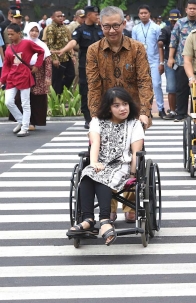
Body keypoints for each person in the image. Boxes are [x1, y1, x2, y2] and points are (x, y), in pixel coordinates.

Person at [86, 6, 154, 223]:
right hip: (106, 112)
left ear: (124, 24)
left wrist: (144, 113)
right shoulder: (93, 50)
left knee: (134, 158)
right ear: (101, 26)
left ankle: (131, 203)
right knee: (102, 156)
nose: (112, 30)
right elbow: (94, 86)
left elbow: (144, 81)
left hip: (131, 112)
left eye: (116, 25)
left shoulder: (137, 48)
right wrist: (96, 116)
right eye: (107, 26)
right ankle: (110, 206)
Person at [66, 87, 144, 246]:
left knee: (104, 176)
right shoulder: (97, 122)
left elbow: (136, 152)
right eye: (116, 105)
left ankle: (104, 220)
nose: (122, 108)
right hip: (101, 162)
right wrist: (94, 163)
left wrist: (133, 173)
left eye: (125, 104)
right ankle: (88, 219)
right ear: (108, 108)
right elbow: (95, 143)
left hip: (122, 165)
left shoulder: (134, 124)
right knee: (87, 174)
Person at [55, 6, 103, 129]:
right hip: (85, 65)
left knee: (101, 90)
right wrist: (63, 50)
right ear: (88, 15)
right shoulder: (80, 30)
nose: (97, 16)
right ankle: (88, 119)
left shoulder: (100, 29)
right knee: (85, 91)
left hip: (101, 65)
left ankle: (100, 116)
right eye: (95, 14)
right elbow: (74, 42)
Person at [0, 24, 45, 137]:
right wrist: (2, 80)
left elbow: (41, 52)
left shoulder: (27, 43)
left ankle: (25, 127)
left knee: (25, 103)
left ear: (19, 33)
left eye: (12, 34)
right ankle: (21, 121)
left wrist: (37, 65)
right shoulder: (9, 48)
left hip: (24, 76)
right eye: (8, 34)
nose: (9, 36)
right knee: (8, 101)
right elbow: (6, 65)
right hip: (11, 77)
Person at [7, 22, 52, 132]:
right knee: (18, 99)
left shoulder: (42, 45)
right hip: (22, 74)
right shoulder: (21, 43)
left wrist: (48, 77)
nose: (34, 33)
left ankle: (33, 123)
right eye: (32, 30)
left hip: (38, 74)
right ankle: (22, 121)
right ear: (27, 31)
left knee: (36, 99)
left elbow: (48, 62)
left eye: (36, 31)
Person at [168, 0, 196, 122]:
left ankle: (195, 113)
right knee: (181, 89)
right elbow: (173, 41)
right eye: (190, 8)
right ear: (186, 10)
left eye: (194, 8)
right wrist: (171, 58)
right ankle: (181, 113)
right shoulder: (179, 23)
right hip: (181, 61)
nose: (192, 10)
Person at [132, 5, 165, 118]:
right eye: (141, 13)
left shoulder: (156, 28)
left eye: (145, 13)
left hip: (154, 60)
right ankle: (146, 109)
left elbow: (160, 46)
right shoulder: (135, 28)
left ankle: (161, 109)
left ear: (149, 14)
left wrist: (161, 63)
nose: (143, 15)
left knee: (156, 84)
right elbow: (133, 47)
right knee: (142, 86)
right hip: (140, 61)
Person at [45, 10, 75, 95]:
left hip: (67, 56)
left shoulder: (64, 27)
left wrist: (72, 56)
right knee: (57, 79)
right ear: (53, 18)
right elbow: (50, 45)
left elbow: (69, 42)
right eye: (58, 16)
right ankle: (56, 99)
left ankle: (61, 92)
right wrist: (54, 58)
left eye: (62, 16)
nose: (61, 18)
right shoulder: (51, 28)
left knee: (71, 75)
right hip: (57, 58)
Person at [159, 9, 181, 120]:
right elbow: (160, 43)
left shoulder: (184, 29)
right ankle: (172, 110)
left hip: (183, 62)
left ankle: (182, 110)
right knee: (171, 87)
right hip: (170, 61)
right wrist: (162, 62)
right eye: (172, 21)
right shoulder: (166, 30)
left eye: (175, 21)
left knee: (184, 88)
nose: (174, 23)